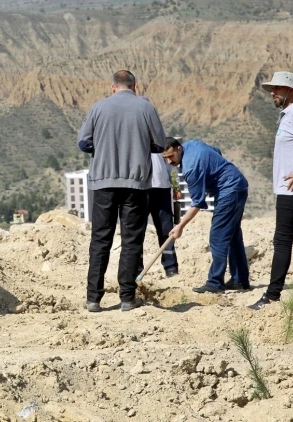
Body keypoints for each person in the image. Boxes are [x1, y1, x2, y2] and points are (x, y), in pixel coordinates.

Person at [78, 70, 167, 312]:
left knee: (100, 240)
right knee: (131, 241)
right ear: (135, 86)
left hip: (103, 183)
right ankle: (127, 298)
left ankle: (93, 299)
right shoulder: (145, 107)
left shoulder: (98, 107)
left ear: (112, 87)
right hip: (135, 184)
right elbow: (160, 143)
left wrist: (103, 146)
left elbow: (83, 142)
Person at [249, 71, 293, 310]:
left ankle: (271, 296)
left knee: (282, 241)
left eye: (277, 88)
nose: (273, 92)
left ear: (291, 90)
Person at [163, 139, 250, 293]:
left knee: (218, 236)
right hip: (237, 184)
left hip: (229, 190)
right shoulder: (192, 144)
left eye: (171, 156)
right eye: (165, 158)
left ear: (179, 148)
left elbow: (197, 203)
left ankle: (215, 283)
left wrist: (180, 226)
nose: (169, 161)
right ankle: (240, 280)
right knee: (232, 236)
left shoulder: (191, 167)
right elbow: (216, 151)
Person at [147, 136, 180, 277]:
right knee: (137, 232)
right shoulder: (136, 141)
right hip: (141, 190)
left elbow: (170, 166)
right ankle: (136, 268)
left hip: (162, 190)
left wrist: (176, 186)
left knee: (166, 230)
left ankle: (171, 267)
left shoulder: (160, 142)